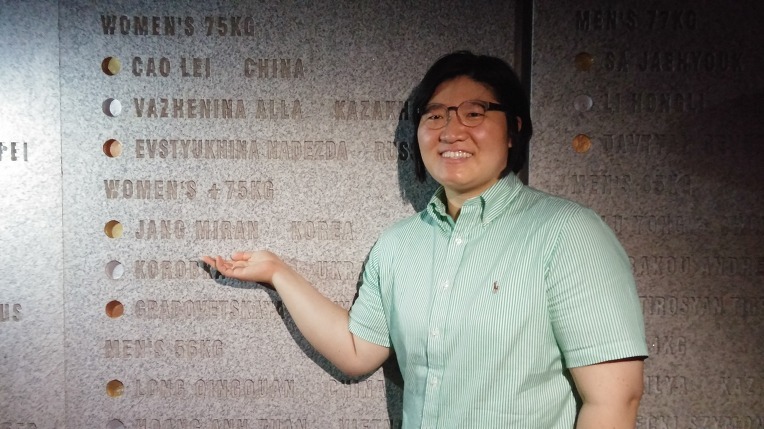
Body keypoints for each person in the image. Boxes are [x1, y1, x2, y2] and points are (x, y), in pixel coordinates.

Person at [203, 51, 647, 428]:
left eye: (474, 113)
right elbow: (358, 352)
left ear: (513, 129)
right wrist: (277, 272)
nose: (451, 131)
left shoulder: (568, 233)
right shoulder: (400, 245)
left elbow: (613, 400)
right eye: (435, 116)